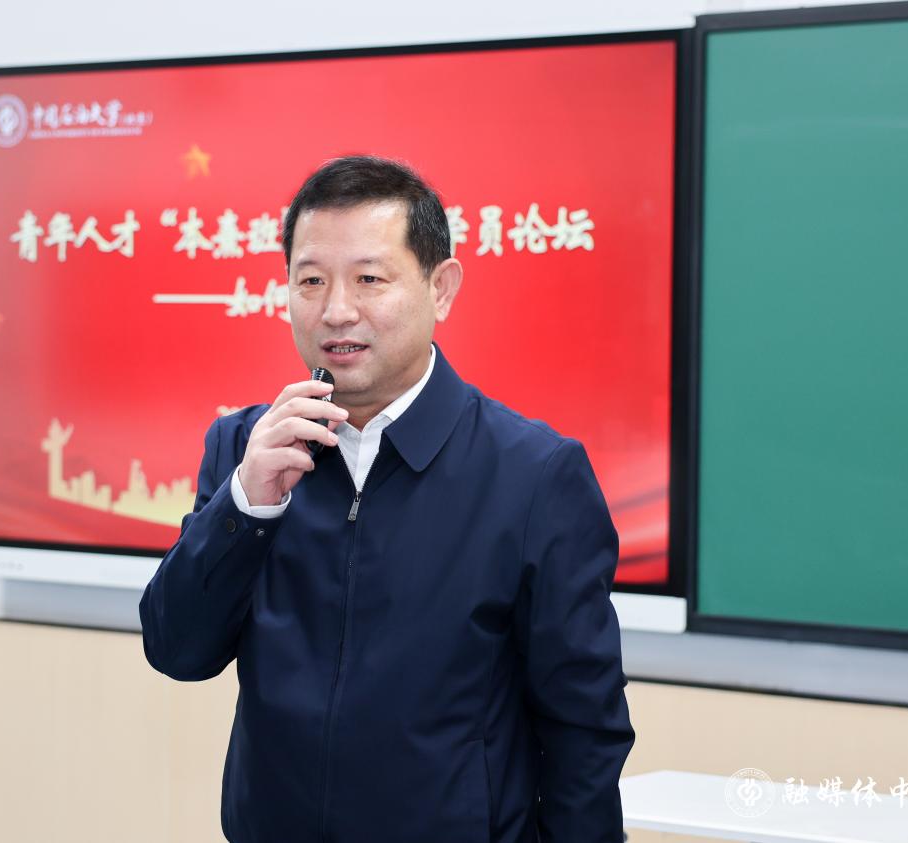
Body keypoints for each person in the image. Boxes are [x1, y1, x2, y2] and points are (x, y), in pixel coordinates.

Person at [139, 156, 634, 842]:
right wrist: (245, 506)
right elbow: (176, 650)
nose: (336, 310)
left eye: (369, 279)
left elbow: (584, 726)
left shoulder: (533, 474)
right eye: (311, 280)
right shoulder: (245, 450)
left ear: (441, 288)